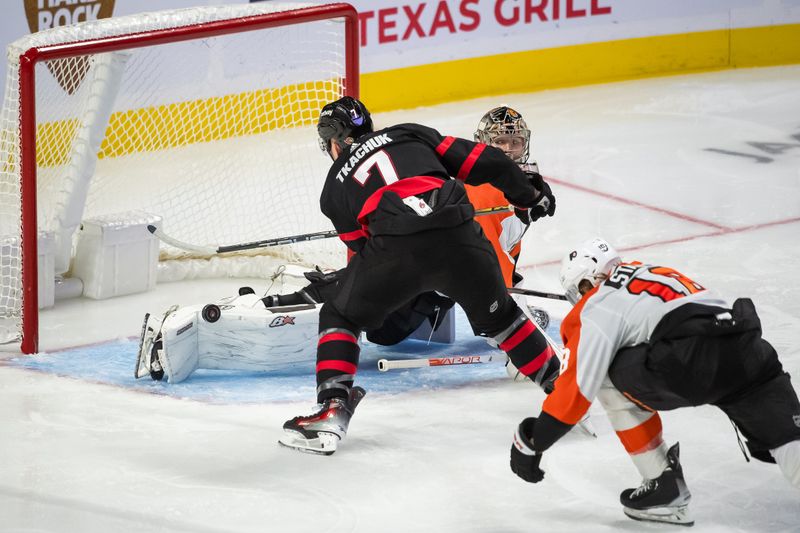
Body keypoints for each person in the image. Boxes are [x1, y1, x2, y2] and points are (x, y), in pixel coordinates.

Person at [279, 96, 558, 455]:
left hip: (398, 254)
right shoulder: (409, 134)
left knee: (340, 313)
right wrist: (530, 195)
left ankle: (332, 409)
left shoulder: (333, 189)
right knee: (503, 315)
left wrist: (347, 287)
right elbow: (488, 161)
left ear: (333, 143)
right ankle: (564, 393)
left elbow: (363, 255)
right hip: (461, 240)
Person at [509, 237, 800, 526]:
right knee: (789, 437)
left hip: (690, 358)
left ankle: (662, 485)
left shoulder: (596, 303)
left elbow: (578, 385)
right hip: (746, 347)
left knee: (605, 372)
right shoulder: (651, 271)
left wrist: (534, 440)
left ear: (585, 285)